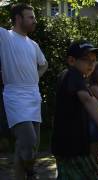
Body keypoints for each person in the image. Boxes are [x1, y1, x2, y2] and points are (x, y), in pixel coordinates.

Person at [51, 40, 98, 179]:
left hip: (69, 145)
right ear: (72, 61)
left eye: (93, 60)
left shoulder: (76, 78)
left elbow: (93, 100)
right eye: (86, 60)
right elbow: (87, 99)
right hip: (71, 147)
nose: (91, 64)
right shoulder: (73, 75)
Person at [0, 3, 48, 179]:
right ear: (18, 19)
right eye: (31, 17)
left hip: (33, 96)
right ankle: (31, 172)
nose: (35, 20)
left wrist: (35, 77)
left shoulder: (33, 44)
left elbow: (44, 64)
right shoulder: (5, 36)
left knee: (28, 148)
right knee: (28, 142)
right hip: (15, 97)